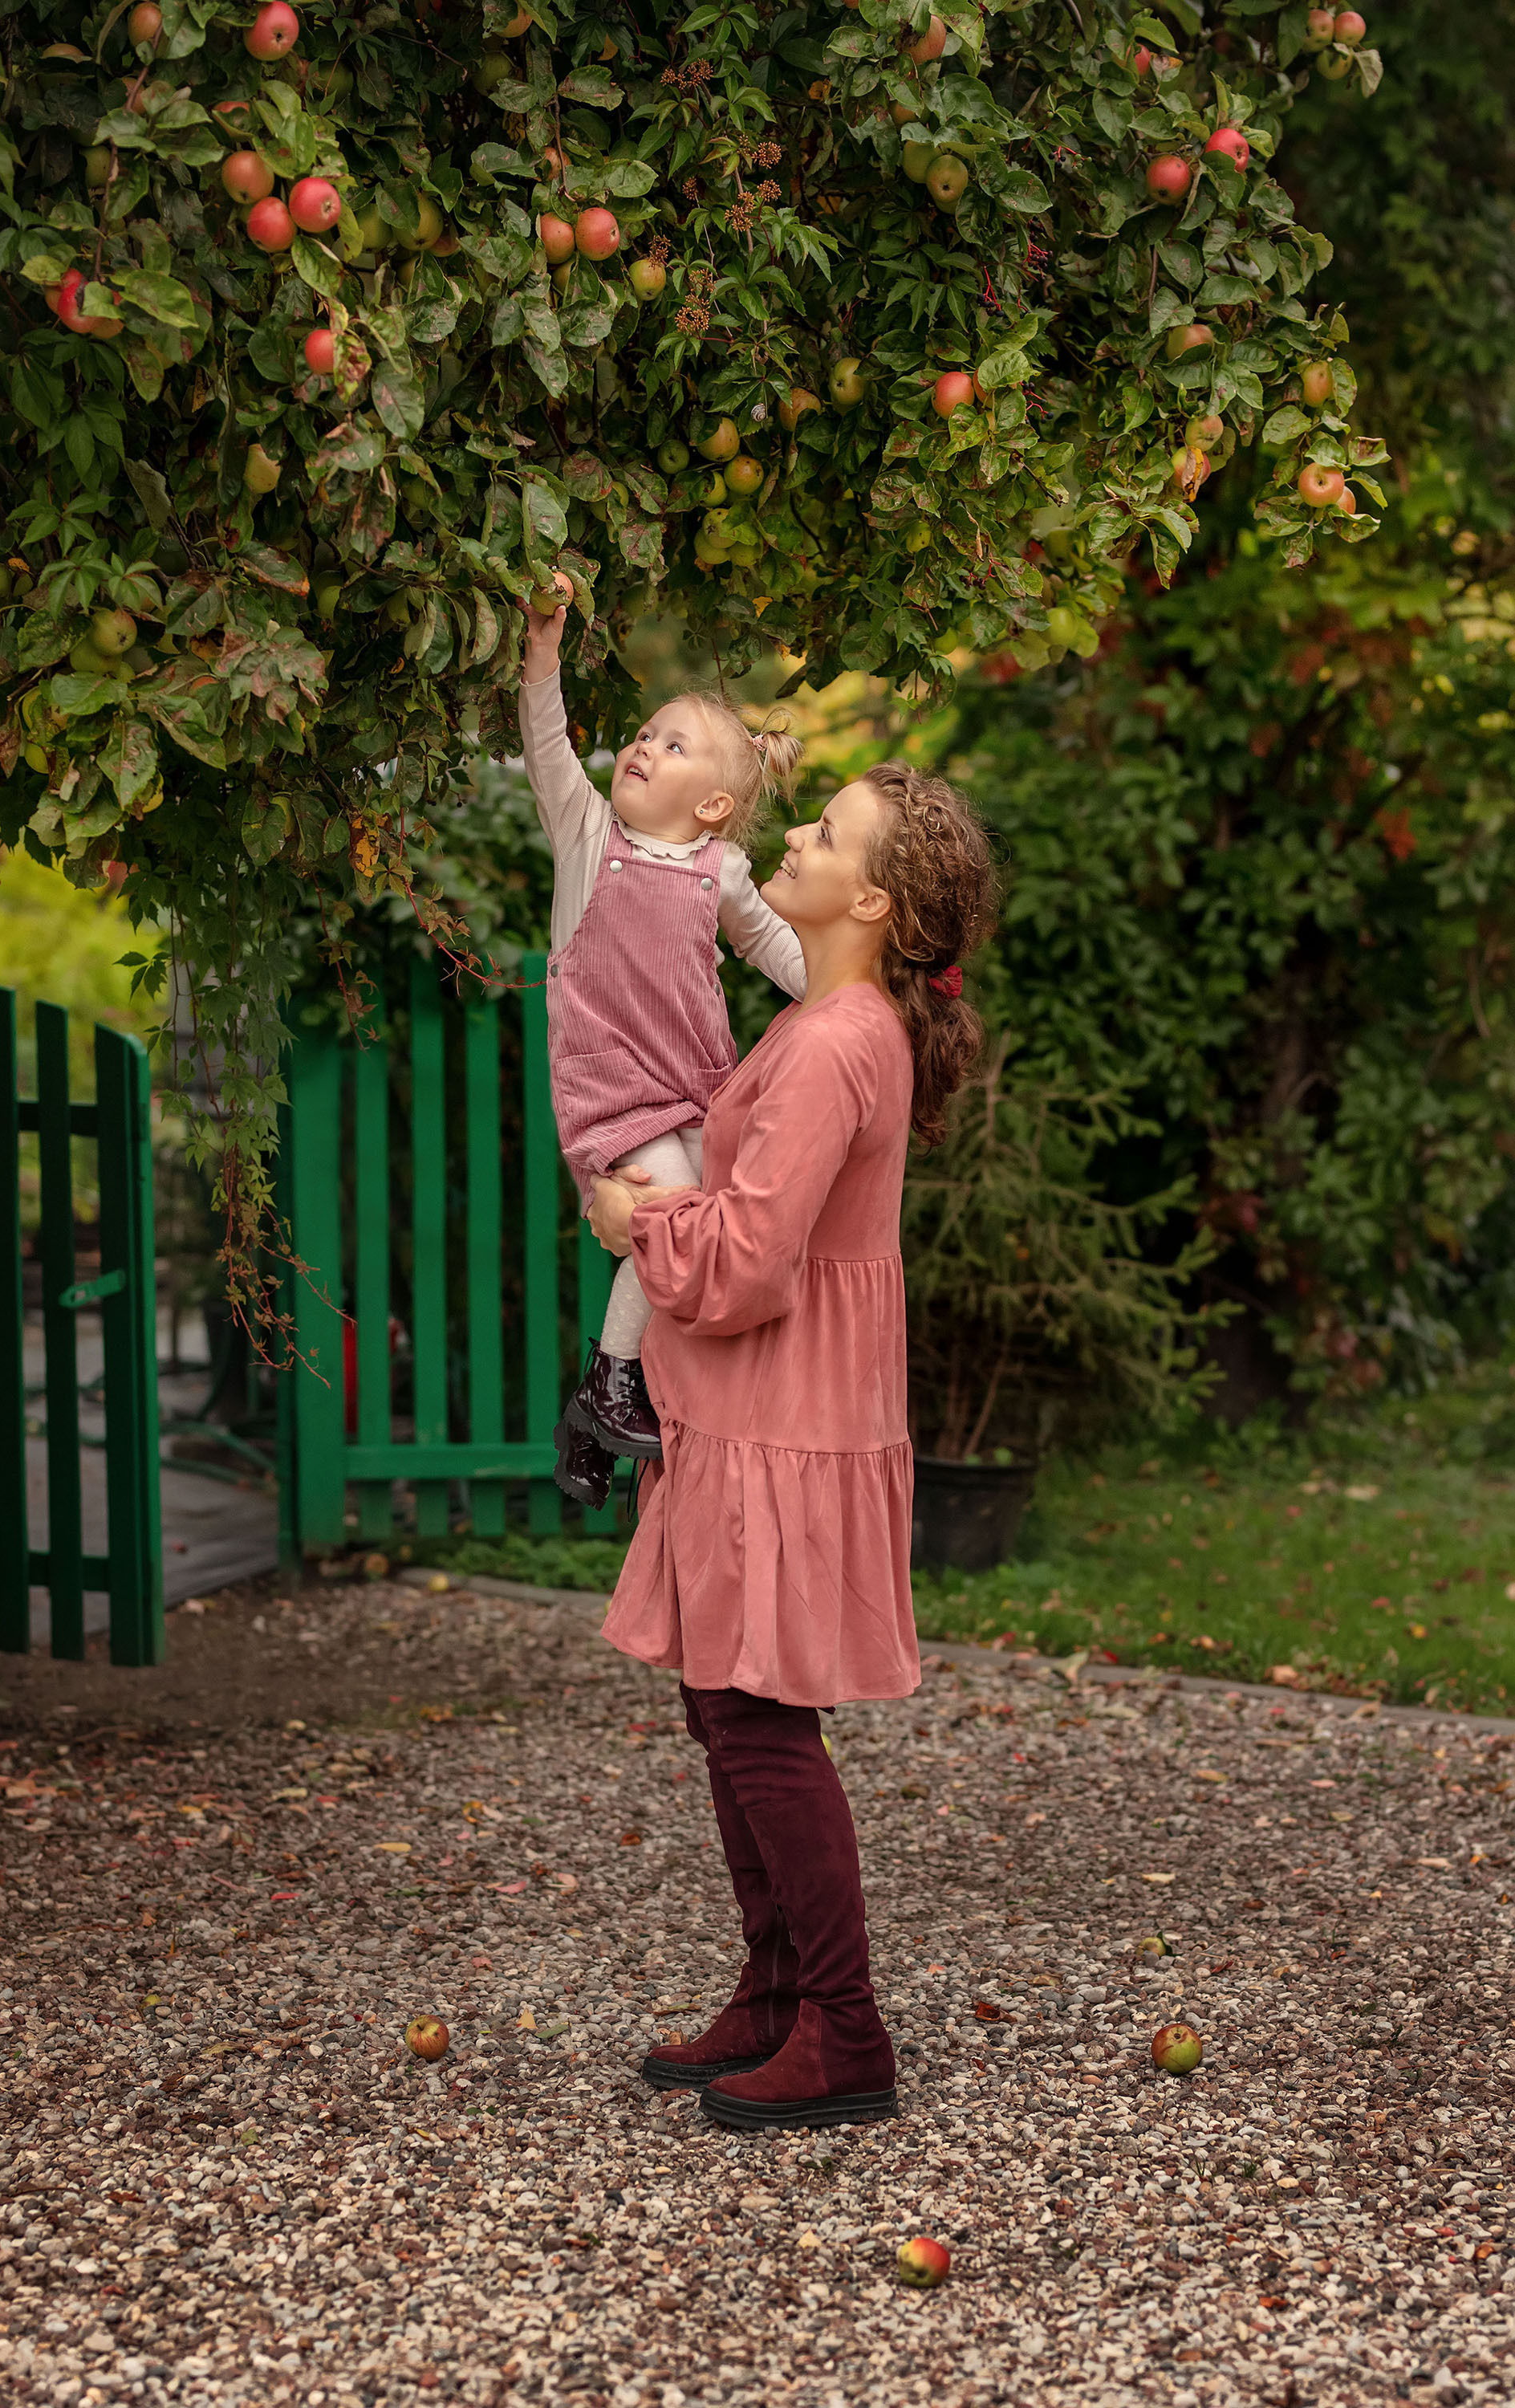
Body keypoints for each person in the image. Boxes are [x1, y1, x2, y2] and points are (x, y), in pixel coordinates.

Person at [587, 760, 997, 2131]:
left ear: (871, 897)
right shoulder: (826, 1019)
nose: (798, 839)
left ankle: (844, 2027)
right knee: (725, 1704)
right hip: (752, 1412)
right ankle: (774, 1995)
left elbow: (755, 1257)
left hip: (782, 1414)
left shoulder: (834, 1042)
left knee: (758, 1722)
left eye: (826, 835)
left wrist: (637, 1230)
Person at [518, 600, 806, 1509]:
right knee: (673, 1219)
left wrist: (848, 989)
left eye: (673, 746)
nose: (644, 748)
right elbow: (548, 746)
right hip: (609, 1094)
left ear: (714, 805)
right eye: (646, 734)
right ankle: (610, 1379)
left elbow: (773, 948)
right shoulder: (588, 836)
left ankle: (605, 1418)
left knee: (703, 1240)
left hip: (695, 1092)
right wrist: (543, 648)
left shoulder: (717, 870)